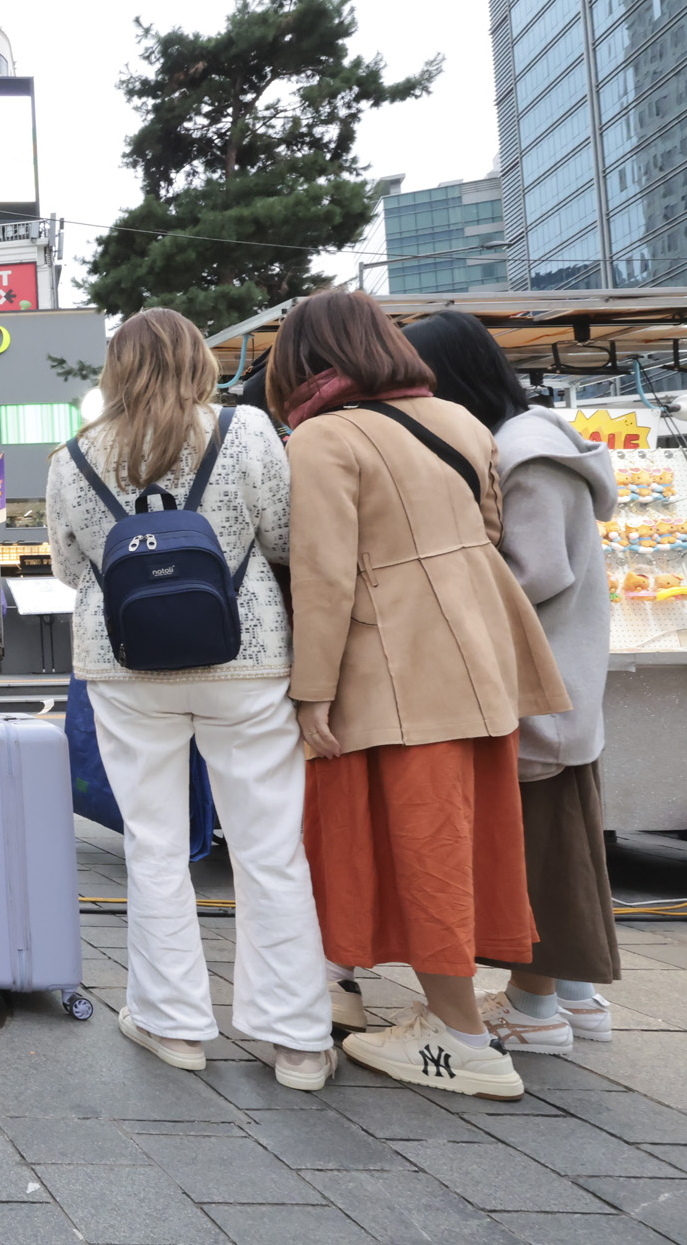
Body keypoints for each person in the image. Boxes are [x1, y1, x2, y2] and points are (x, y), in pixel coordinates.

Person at [274, 288, 569, 1101]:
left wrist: (311, 693)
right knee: (466, 843)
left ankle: (461, 1041)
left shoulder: (323, 438)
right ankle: (445, 1015)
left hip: (394, 671)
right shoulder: (462, 421)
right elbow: (488, 533)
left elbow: (325, 578)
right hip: (480, 662)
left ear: (303, 361)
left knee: (419, 844)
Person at [46, 308, 334, 1090]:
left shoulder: (74, 456)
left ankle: (171, 1023)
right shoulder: (245, 431)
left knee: (154, 845)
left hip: (126, 664)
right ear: (197, 362)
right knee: (270, 848)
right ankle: (296, 1039)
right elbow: (283, 538)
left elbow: (72, 571)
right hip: (245, 656)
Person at [407, 310, 621, 1050]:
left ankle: (536, 1012)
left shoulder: (525, 455)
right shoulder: (533, 442)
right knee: (564, 857)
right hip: (557, 687)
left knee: (539, 859)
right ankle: (575, 1000)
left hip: (539, 692)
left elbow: (532, 575)